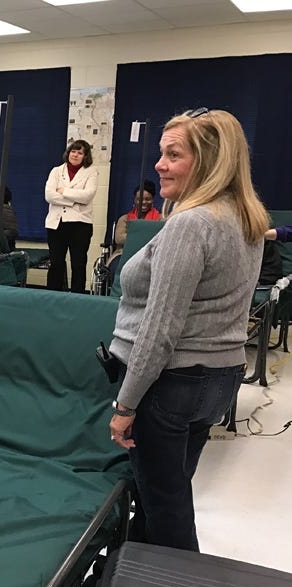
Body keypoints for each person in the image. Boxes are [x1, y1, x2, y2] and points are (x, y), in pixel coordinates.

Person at [108, 109, 269, 552]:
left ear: (210, 161)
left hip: (169, 384)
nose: (158, 164)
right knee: (163, 491)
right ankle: (130, 576)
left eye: (173, 154)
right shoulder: (246, 217)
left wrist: (126, 404)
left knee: (167, 508)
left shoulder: (191, 224)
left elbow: (160, 330)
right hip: (216, 381)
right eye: (161, 153)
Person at [44, 140, 98, 293]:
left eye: (80, 153)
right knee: (56, 263)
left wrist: (63, 191)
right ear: (68, 152)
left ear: (85, 156)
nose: (75, 155)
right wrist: (74, 201)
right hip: (57, 224)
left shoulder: (91, 172)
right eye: (73, 151)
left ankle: (77, 298)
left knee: (78, 264)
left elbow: (87, 196)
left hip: (80, 225)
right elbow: (49, 195)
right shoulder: (56, 171)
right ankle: (52, 296)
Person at [106, 180, 161, 281]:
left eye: (147, 199)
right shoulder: (124, 218)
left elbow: (161, 239)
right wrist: (147, 236)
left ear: (153, 199)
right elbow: (119, 239)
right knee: (116, 267)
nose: (143, 202)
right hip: (123, 253)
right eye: (139, 199)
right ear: (134, 200)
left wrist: (133, 236)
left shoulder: (160, 219)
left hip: (151, 254)